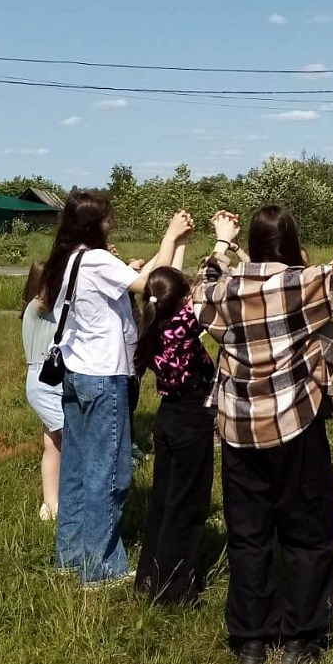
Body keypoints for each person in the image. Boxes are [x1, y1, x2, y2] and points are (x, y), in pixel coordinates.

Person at [191, 196, 333, 664]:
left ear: (254, 245)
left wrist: (221, 243)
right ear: (292, 244)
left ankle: (251, 641)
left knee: (249, 536)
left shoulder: (224, 290)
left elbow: (199, 290)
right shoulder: (305, 284)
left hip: (239, 428)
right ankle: (303, 637)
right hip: (296, 424)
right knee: (308, 533)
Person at [39, 190, 192, 588]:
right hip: (104, 377)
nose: (112, 223)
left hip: (76, 374)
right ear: (94, 223)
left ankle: (70, 558)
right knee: (108, 473)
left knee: (75, 468)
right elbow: (152, 287)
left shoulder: (69, 260)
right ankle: (100, 568)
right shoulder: (97, 259)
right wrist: (170, 238)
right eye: (108, 218)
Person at [132, 258, 218, 606]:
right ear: (182, 301)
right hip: (189, 417)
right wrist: (220, 248)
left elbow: (184, 293)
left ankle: (149, 576)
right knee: (188, 503)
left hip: (168, 417)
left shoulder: (151, 324)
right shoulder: (182, 326)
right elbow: (206, 297)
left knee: (164, 500)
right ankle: (175, 589)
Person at [21, 261, 62, 522]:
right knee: (72, 436)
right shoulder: (35, 310)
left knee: (54, 444)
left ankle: (51, 504)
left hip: (55, 378)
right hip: (43, 381)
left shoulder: (55, 312)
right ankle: (64, 499)